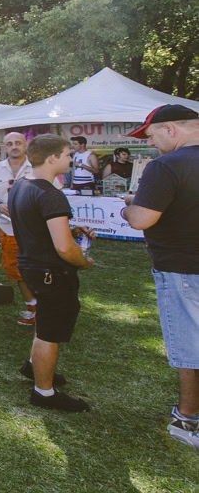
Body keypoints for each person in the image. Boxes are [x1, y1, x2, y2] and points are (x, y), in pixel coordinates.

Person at [121, 104, 199, 447]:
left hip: (182, 268)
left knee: (189, 346)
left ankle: (188, 419)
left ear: (170, 130)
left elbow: (140, 219)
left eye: (151, 135)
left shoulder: (166, 165)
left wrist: (127, 205)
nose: (151, 144)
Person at [9, 134, 95, 413]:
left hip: (31, 266)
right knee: (50, 331)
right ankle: (44, 392)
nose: (72, 160)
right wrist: (83, 262)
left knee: (45, 320)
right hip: (51, 271)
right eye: (68, 155)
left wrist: (70, 229)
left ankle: (35, 367)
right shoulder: (50, 194)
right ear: (52, 158)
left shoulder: (21, 186)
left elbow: (36, 226)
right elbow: (64, 248)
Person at [0, 132, 40, 327]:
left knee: (40, 269)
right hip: (8, 228)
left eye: (18, 143)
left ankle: (45, 307)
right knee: (16, 270)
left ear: (25, 145)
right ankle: (32, 308)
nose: (14, 146)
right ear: (4, 147)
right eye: (10, 144)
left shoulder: (38, 167)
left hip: (36, 229)